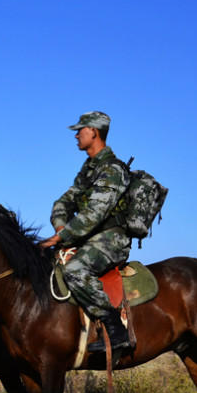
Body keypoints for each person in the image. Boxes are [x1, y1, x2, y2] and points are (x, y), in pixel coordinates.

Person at [39, 111, 132, 352]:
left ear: (95, 132)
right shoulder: (88, 170)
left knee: (75, 270)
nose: (77, 135)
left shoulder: (113, 169)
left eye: (81, 130)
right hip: (86, 237)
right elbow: (62, 203)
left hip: (112, 239)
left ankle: (116, 330)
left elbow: (94, 214)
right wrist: (61, 228)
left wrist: (60, 237)